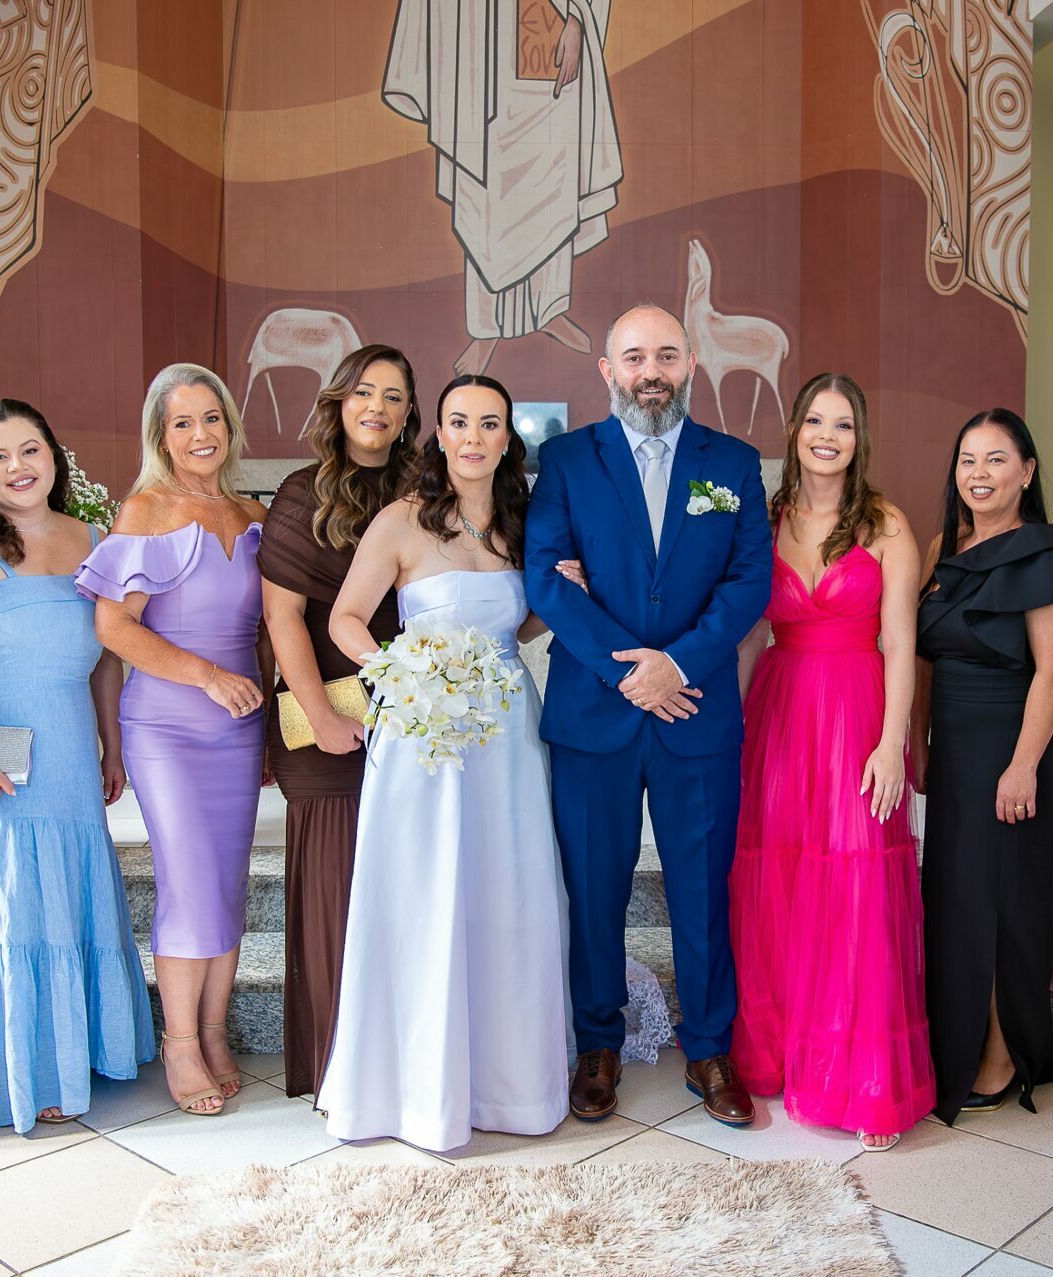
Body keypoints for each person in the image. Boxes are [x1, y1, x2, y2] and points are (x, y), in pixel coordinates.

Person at [524, 303, 771, 1127]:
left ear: (691, 363)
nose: (650, 372)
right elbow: (546, 578)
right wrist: (633, 672)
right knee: (595, 887)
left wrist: (679, 664)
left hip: (696, 709)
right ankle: (597, 1042)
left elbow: (749, 582)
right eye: (634, 357)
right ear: (607, 370)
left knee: (702, 889)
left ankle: (709, 1048)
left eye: (666, 355)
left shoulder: (732, 464)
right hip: (595, 713)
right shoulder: (565, 460)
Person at [317, 374, 569, 1151]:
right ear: (440, 432)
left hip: (506, 729)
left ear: (507, 437)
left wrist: (555, 597)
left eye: (489, 423)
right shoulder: (401, 520)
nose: (472, 436)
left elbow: (521, 622)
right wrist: (401, 672)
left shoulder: (525, 523)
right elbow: (346, 618)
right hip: (423, 730)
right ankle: (413, 1092)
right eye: (459, 421)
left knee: (508, 891)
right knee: (421, 893)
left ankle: (509, 1085)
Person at [0, 399, 154, 1140]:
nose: (18, 467)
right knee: (10, 906)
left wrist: (111, 743)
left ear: (54, 454)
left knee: (66, 895)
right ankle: (28, 1069)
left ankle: (81, 1050)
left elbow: (107, 656)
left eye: (30, 449)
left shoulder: (94, 539)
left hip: (67, 746)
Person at [727, 373, 933, 1149]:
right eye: (815, 420)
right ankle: (783, 1056)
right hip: (780, 714)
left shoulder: (886, 524)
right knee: (778, 880)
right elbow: (751, 635)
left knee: (856, 886)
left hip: (856, 714)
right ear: (794, 429)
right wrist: (730, 730)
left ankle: (863, 1078)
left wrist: (892, 741)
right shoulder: (766, 519)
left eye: (842, 424)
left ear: (859, 438)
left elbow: (901, 642)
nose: (826, 436)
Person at [76, 363, 269, 1118]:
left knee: (227, 882)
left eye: (211, 418)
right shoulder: (146, 511)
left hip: (240, 726)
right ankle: (180, 1043)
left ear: (230, 426)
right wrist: (206, 676)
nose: (200, 434)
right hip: (166, 724)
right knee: (188, 879)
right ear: (161, 435)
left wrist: (268, 712)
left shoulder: (253, 513)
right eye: (182, 422)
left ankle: (214, 1032)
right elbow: (113, 627)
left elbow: (269, 629)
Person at [913, 410, 1053, 1123]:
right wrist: (919, 742)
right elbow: (924, 657)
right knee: (959, 897)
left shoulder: (1042, 554)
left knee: (1001, 899)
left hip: (1010, 744)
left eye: (997, 459)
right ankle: (960, 1038)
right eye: (968, 459)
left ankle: (1001, 1054)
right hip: (955, 749)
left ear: (1027, 471)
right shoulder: (943, 548)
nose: (979, 473)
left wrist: (1025, 764)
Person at [260, 345, 420, 1100]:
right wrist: (322, 715)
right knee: (336, 890)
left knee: (407, 889)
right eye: (363, 392)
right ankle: (338, 1065)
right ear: (338, 401)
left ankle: (405, 1061)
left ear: (410, 413)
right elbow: (282, 615)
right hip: (327, 716)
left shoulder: (427, 490)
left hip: (415, 718)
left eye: (393, 396)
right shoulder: (303, 493)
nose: (377, 408)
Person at [382, 0, 619, 374]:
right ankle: (486, 329)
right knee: (484, 197)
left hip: (550, 41)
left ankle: (548, 309)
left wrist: (577, 20)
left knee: (555, 190)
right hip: (478, 57)